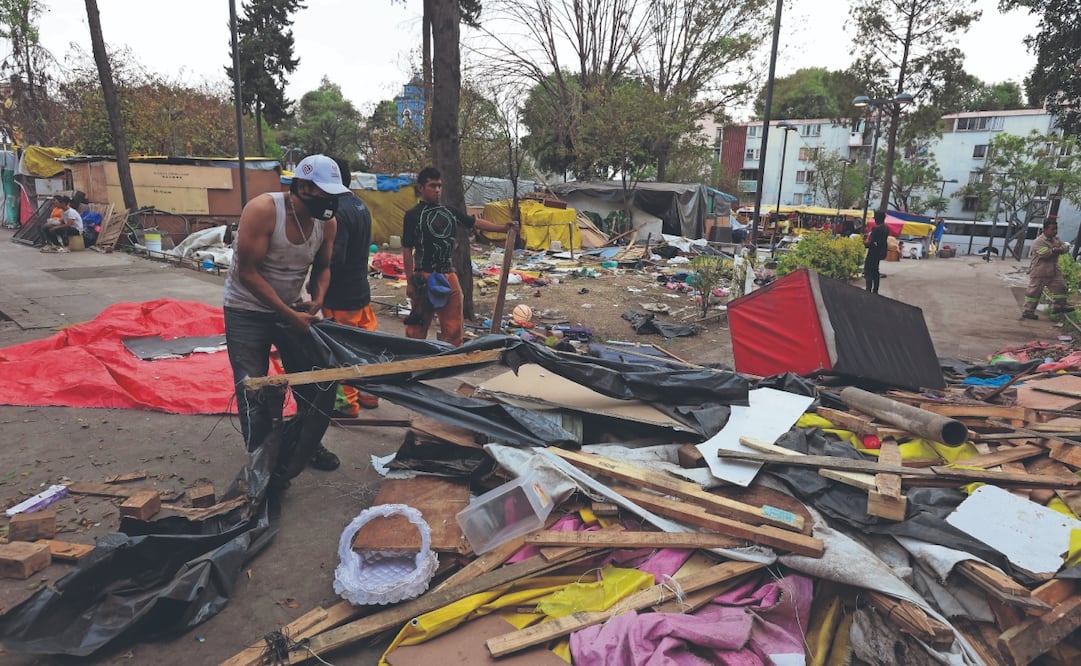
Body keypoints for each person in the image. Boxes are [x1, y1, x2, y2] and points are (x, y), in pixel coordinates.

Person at [223, 154, 346, 482]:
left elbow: (322, 267)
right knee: (253, 386)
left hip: (292, 307)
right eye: (325, 193)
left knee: (313, 379)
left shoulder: (327, 222)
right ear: (303, 187)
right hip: (246, 310)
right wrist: (287, 314)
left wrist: (317, 298)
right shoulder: (264, 211)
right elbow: (247, 273)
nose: (331, 201)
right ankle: (261, 454)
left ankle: (306, 445)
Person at [401, 166, 516, 346]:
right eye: (432, 185)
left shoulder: (449, 211)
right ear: (421, 188)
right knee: (417, 327)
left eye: (439, 185)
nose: (437, 190)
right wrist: (409, 282)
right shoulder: (412, 215)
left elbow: (474, 222)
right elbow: (406, 250)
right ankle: (412, 364)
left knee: (454, 328)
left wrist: (502, 228)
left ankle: (450, 362)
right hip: (423, 277)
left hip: (448, 275)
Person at [319, 158, 380, 416]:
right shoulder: (359, 205)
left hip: (340, 297)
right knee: (363, 349)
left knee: (340, 350)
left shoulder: (336, 211)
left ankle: (347, 405)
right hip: (360, 292)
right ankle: (369, 394)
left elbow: (335, 258)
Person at [1022, 219, 1075, 320]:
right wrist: (1057, 250)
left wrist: (1056, 250)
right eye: (1052, 229)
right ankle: (1028, 311)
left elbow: (1065, 248)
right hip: (1040, 271)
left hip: (1054, 270)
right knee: (1033, 292)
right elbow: (1045, 254)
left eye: (1056, 229)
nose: (1055, 231)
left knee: (1061, 287)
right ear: (1045, 230)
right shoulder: (1038, 242)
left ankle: (1059, 307)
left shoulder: (1056, 239)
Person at [864, 210, 889, 293]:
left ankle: (868, 289)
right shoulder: (886, 228)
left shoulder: (876, 229)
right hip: (880, 252)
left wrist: (864, 243)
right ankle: (875, 290)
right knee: (875, 271)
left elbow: (870, 243)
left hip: (873, 252)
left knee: (868, 271)